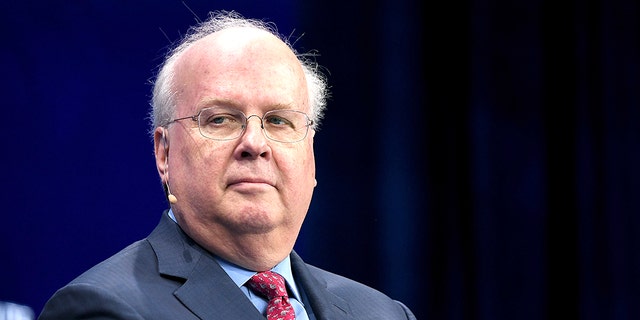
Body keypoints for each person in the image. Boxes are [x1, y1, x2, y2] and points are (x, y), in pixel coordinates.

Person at [39, 10, 416, 320]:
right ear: (164, 154)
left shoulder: (384, 313)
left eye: (279, 121)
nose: (255, 143)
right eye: (220, 119)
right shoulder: (104, 310)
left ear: (311, 157)